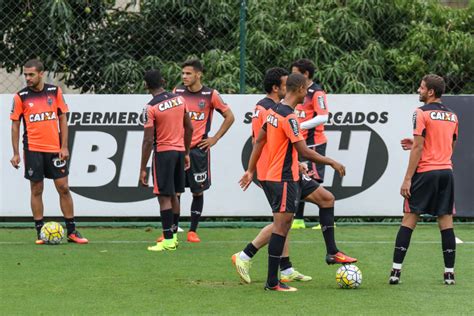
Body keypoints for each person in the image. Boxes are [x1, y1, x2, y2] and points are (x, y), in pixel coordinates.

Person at [232, 68, 357, 285]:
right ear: (299, 89)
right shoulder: (287, 116)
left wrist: (251, 170)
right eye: (306, 91)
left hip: (289, 172)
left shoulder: (274, 111)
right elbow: (304, 150)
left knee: (326, 199)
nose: (307, 95)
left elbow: (261, 140)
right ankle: (269, 277)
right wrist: (332, 162)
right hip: (281, 176)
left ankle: (331, 253)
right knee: (282, 224)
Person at [232, 67, 311, 284]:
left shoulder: (266, 107)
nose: (289, 89)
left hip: (278, 169)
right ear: (277, 88)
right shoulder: (273, 110)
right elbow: (262, 140)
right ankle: (246, 255)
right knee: (283, 220)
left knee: (286, 218)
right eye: (286, 85)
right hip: (276, 172)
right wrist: (253, 169)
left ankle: (285, 268)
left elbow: (267, 140)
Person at [389, 74, 459, 285]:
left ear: (430, 92)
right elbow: (449, 146)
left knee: (409, 219)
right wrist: (423, 146)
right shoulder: (453, 116)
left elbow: (419, 147)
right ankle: (449, 274)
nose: (418, 91)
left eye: (421, 88)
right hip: (446, 172)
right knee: (446, 222)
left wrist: (407, 179)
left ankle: (395, 272)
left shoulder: (420, 113)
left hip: (425, 173)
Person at [10, 59, 88, 244]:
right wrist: (15, 153)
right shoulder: (20, 97)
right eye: (25, 74)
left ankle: (72, 231)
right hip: (33, 149)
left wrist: (64, 146)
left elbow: (63, 119)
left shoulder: (55, 92)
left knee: (64, 188)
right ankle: (40, 233)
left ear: (41, 74)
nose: (27, 78)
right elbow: (15, 126)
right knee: (37, 189)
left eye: (31, 74)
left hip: (55, 150)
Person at [157, 58, 234, 243]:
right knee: (176, 191)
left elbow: (230, 117)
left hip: (198, 150)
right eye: (183, 73)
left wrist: (214, 138)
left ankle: (193, 230)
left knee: (197, 191)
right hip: (178, 148)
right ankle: (172, 231)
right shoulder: (177, 92)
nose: (184, 76)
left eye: (188, 73)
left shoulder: (210, 94)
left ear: (198, 74)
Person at [140, 69, 193, 252]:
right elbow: (190, 128)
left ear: (146, 85)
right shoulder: (180, 100)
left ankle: (168, 240)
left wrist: (142, 168)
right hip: (179, 152)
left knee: (163, 197)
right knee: (174, 195)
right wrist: (186, 153)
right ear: (163, 80)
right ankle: (174, 236)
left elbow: (148, 140)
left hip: (163, 153)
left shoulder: (150, 107)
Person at [290, 59, 330, 229]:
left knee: (312, 180)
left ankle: (326, 220)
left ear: (305, 74)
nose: (292, 76)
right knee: (299, 177)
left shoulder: (316, 92)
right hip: (299, 141)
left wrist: (300, 126)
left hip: (313, 143)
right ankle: (298, 220)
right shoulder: (295, 91)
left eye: (295, 72)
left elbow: (323, 116)